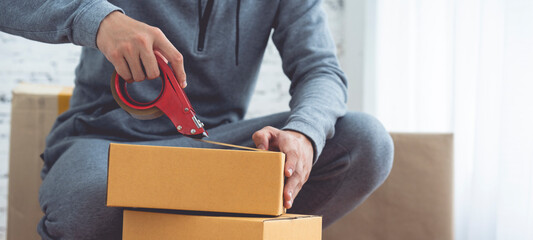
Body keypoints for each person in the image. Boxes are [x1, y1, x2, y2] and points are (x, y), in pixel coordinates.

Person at [1, 0, 393, 239]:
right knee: (85, 205)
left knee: (366, 143)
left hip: (214, 149)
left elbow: (320, 69)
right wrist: (97, 19)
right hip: (105, 145)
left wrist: (304, 133)